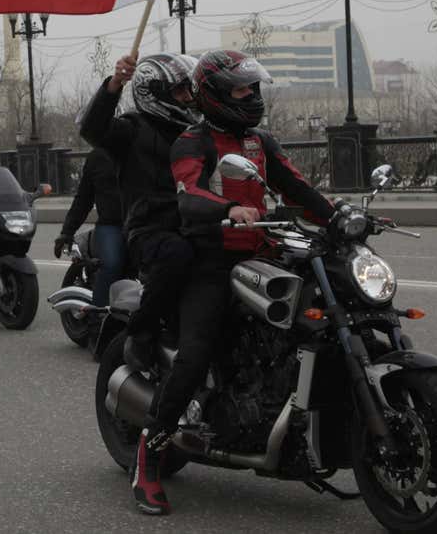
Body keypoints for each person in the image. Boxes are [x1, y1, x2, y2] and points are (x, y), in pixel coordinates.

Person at [129, 50, 337, 516]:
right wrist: (229, 210)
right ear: (217, 95)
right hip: (212, 261)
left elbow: (298, 188)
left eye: (254, 88)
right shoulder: (194, 140)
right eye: (243, 89)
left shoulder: (259, 140)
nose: (252, 96)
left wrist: (341, 215)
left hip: (265, 254)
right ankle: (148, 456)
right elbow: (190, 194)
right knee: (196, 353)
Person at [78, 53, 200, 369]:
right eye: (179, 92)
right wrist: (115, 84)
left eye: (189, 91)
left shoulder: (196, 131)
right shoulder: (132, 129)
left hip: (196, 221)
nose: (188, 98)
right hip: (151, 227)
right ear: (154, 92)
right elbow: (93, 129)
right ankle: (141, 332)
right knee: (176, 254)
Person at [55, 148, 125, 310]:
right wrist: (67, 232)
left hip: (144, 224)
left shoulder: (148, 146)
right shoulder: (99, 156)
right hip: (111, 225)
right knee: (112, 264)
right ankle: (99, 317)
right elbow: (83, 199)